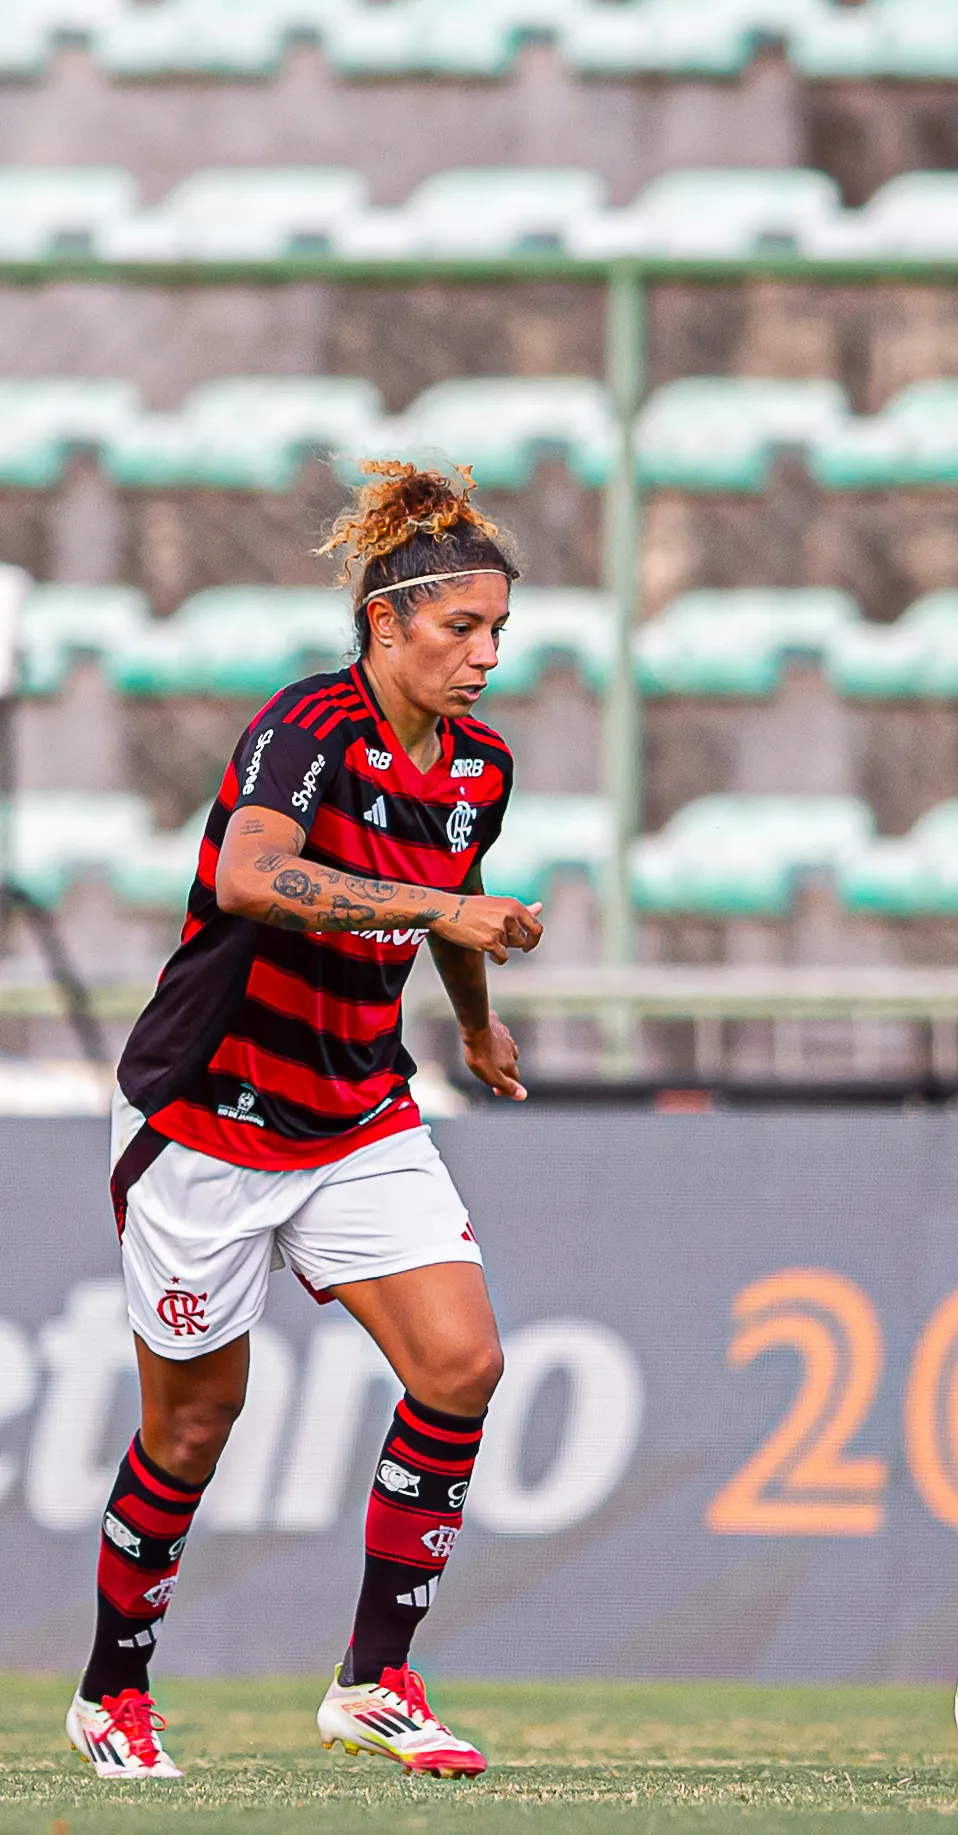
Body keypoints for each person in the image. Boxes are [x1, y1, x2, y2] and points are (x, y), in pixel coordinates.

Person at [66, 460, 544, 1780]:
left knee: (461, 1365)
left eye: (500, 631)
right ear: (388, 624)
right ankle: (111, 1691)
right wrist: (445, 914)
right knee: (192, 1428)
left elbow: (454, 889)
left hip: (357, 1109)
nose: (486, 656)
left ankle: (376, 1677)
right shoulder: (305, 728)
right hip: (206, 1117)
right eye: (463, 628)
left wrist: (476, 1019)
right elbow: (252, 874)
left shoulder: (480, 768)